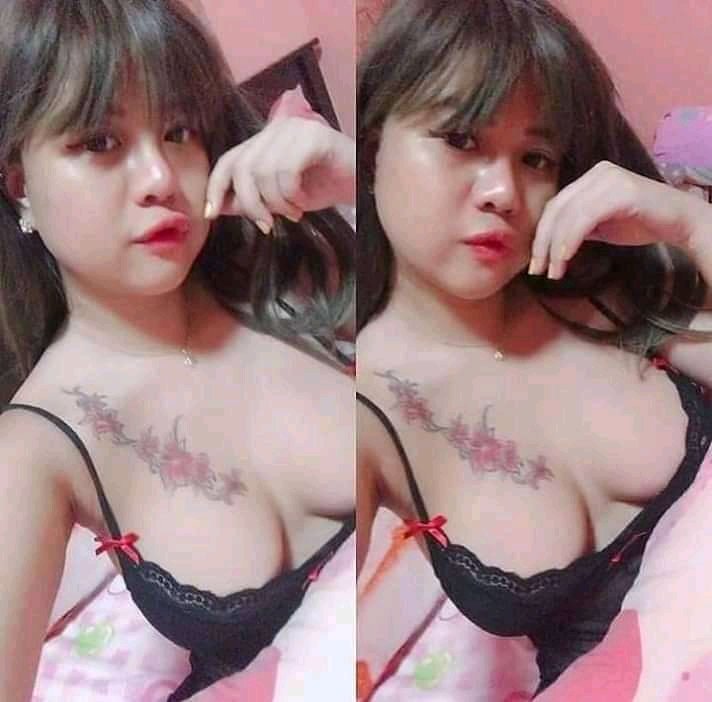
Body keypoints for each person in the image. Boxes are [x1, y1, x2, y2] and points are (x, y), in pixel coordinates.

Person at [0, 1, 356, 700]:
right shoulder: (38, 448)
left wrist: (359, 178)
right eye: (100, 142)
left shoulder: (284, 273)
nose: (160, 177)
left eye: (179, 131)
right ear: (20, 188)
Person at [356, 0, 712, 694]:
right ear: (372, 147)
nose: (504, 191)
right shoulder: (361, 412)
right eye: (460, 139)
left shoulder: (599, 292)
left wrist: (692, 226)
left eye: (535, 158)